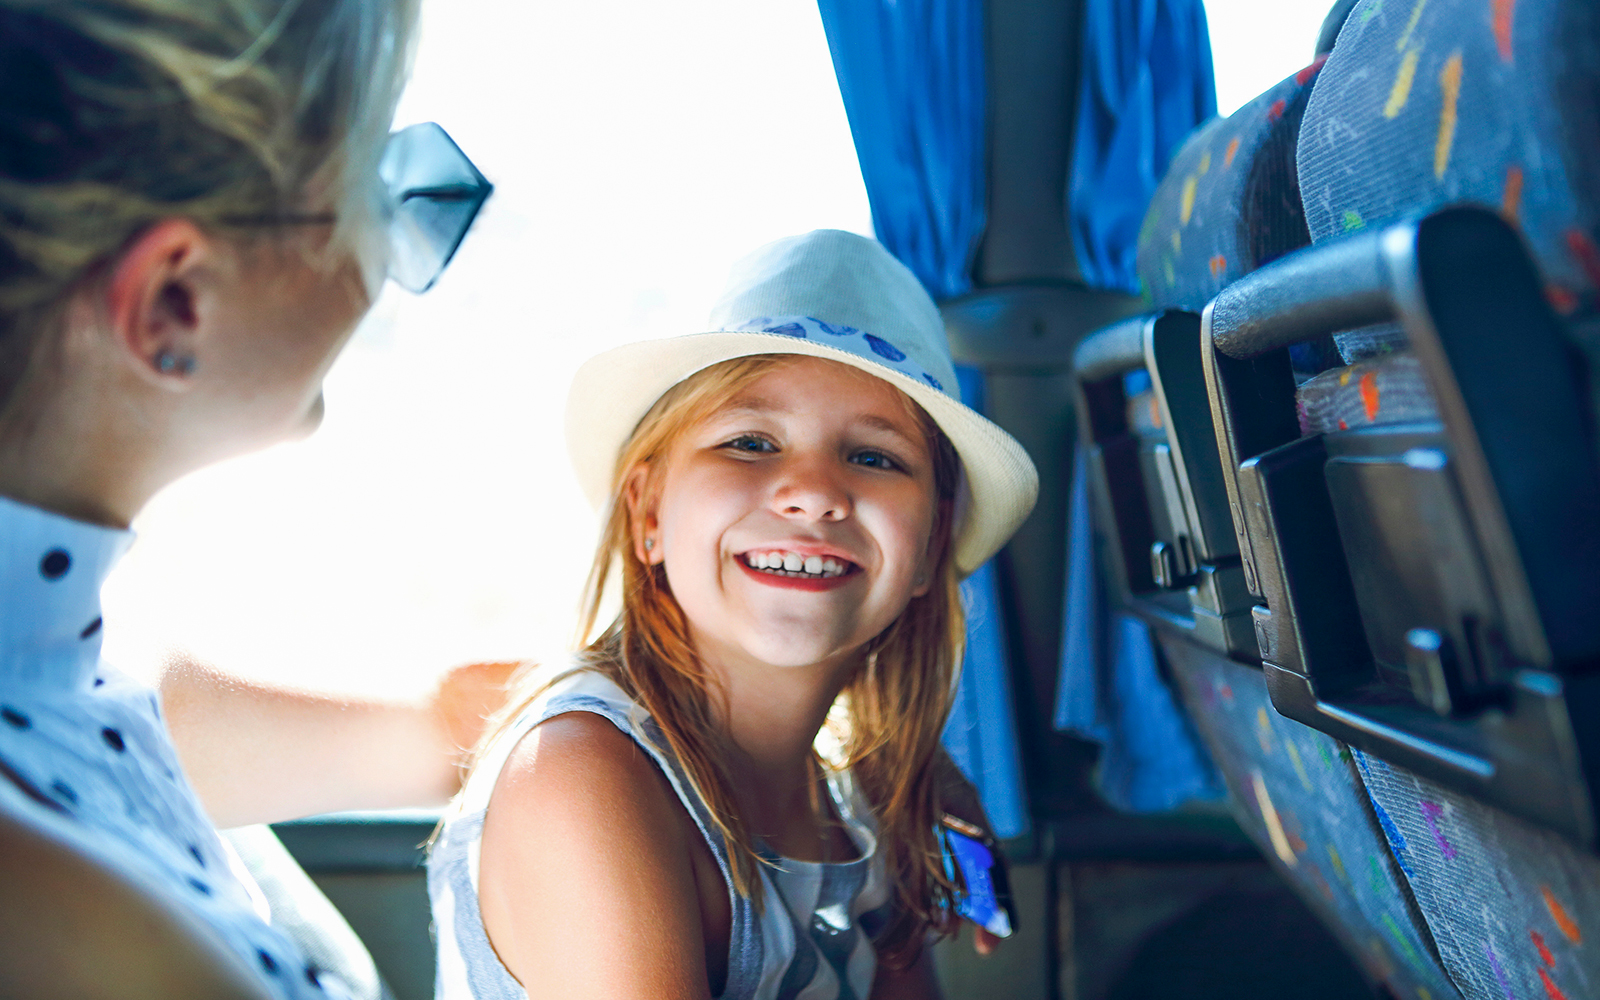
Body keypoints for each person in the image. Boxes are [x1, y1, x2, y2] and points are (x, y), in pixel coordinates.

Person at [0, 2, 503, 996]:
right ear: (174, 301)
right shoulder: (55, 913)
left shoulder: (76, 663)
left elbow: (168, 721)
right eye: (373, 180)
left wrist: (577, 719)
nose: (392, 265)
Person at [429, 230, 1040, 1000]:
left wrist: (913, 776)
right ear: (648, 512)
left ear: (928, 549)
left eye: (875, 457)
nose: (813, 490)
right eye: (750, 442)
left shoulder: (855, 808)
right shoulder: (585, 779)